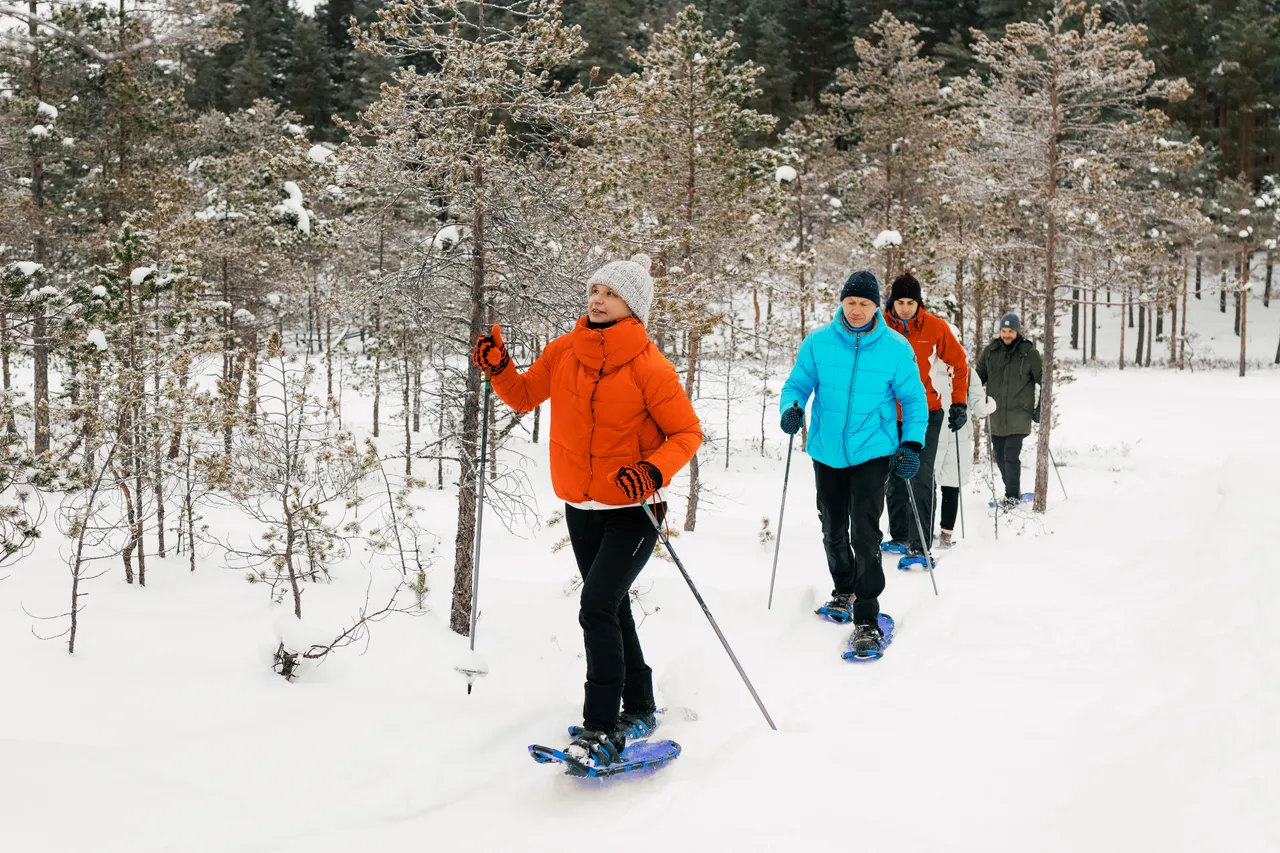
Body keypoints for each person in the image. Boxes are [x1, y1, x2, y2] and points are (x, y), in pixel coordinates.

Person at [470, 254, 702, 767]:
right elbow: (526, 397)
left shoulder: (649, 366)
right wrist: (500, 368)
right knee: (612, 606)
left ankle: (601, 729)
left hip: (636, 508)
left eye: (610, 294)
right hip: (581, 504)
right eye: (595, 289)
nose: (597, 299)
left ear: (632, 307)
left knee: (596, 606)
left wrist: (652, 470)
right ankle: (638, 706)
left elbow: (687, 433)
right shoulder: (566, 350)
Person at [778, 270, 928, 659]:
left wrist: (911, 443)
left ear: (877, 306)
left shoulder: (895, 348)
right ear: (841, 303)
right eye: (851, 303)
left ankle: (867, 617)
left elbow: (913, 401)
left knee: (864, 532)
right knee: (832, 528)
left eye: (864, 303)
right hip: (826, 450)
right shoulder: (818, 343)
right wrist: (791, 409)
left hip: (872, 450)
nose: (857, 310)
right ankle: (843, 588)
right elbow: (797, 386)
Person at [882, 273, 970, 559]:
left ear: (919, 302)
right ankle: (899, 536)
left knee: (920, 475)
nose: (905, 308)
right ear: (892, 302)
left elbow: (959, 364)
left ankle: (920, 545)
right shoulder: (879, 326)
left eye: (911, 302)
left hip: (927, 413)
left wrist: (959, 403)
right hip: (889, 414)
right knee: (894, 475)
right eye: (900, 302)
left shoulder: (935, 327)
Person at [976, 312, 1042, 509]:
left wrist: (1040, 410)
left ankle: (1012, 497)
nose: (1006, 335)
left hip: (1019, 414)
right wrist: (976, 403)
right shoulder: (990, 351)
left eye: (1010, 331)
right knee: (1000, 455)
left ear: (1018, 331)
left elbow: (1043, 381)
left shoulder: (1029, 353)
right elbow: (977, 380)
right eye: (1003, 331)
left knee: (1011, 455)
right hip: (996, 415)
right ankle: (1013, 491)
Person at [930, 354, 996, 547]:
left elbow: (976, 402)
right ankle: (924, 532)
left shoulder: (966, 373)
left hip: (957, 437)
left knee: (951, 486)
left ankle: (946, 534)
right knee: (926, 487)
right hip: (931, 435)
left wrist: (984, 406)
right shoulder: (927, 367)